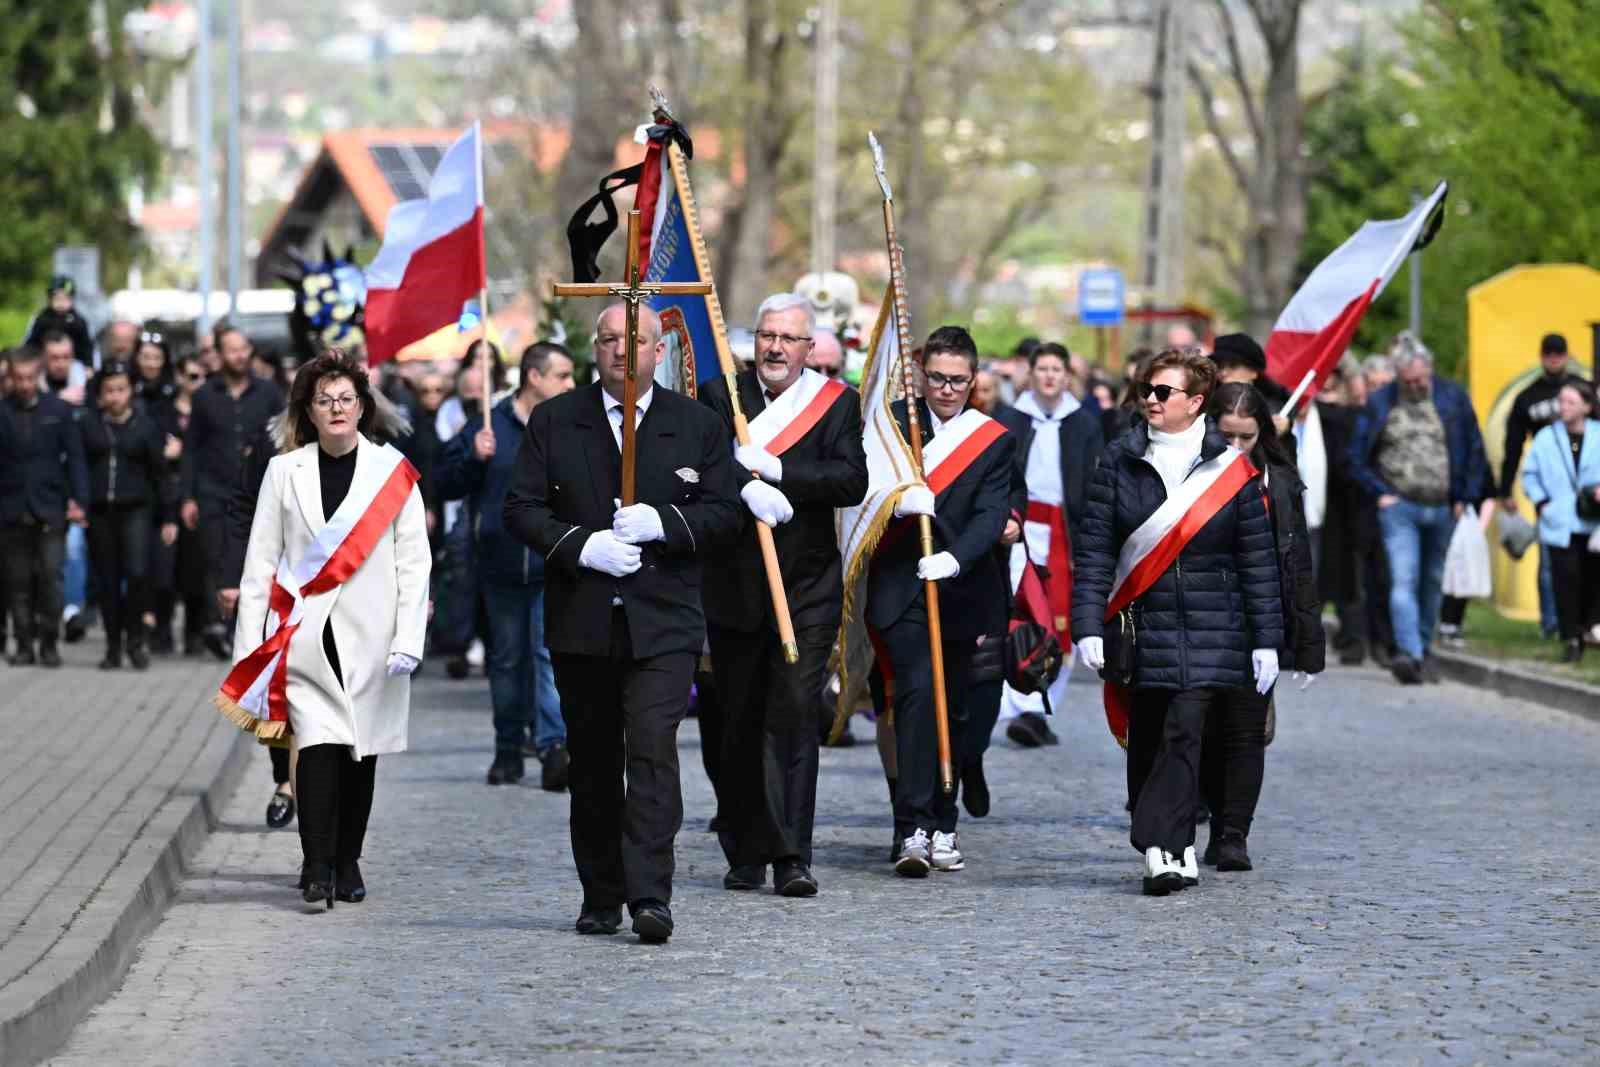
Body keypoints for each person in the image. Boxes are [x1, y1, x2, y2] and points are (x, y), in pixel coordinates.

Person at [503, 303, 740, 943]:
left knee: (654, 754)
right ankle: (602, 893)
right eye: (608, 339)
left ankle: (650, 895)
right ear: (594, 349)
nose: (619, 351)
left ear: (656, 350)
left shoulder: (695, 424)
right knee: (596, 763)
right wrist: (581, 545)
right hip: (584, 619)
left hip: (663, 621)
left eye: (632, 340)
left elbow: (727, 511)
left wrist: (666, 523)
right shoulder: (557, 421)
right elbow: (521, 509)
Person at [1072, 348, 1282, 896]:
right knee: (1147, 738)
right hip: (1143, 625)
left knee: (1185, 732)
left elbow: (1256, 561)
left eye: (1163, 392)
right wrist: (1087, 625)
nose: (1150, 399)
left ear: (1194, 402)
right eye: (1147, 389)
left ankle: (1169, 846)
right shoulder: (1118, 461)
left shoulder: (1231, 469)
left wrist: (1268, 641)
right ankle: (1168, 839)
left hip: (1216, 626)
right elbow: (1095, 550)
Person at [225, 350, 430, 908]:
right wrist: (250, 649)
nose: (336, 409)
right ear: (308, 412)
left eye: (346, 399)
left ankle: (348, 859)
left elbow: (414, 562)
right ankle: (316, 865)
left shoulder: (393, 472)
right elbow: (260, 563)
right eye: (324, 401)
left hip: (375, 639)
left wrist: (409, 637)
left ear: (362, 408)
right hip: (306, 636)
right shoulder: (282, 471)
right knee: (315, 748)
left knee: (361, 754)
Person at [698, 293, 867, 897]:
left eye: (787, 339)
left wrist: (781, 474)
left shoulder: (836, 404)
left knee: (793, 715)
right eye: (766, 335)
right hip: (734, 584)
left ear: (807, 348)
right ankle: (745, 849)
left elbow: (852, 479)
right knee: (737, 719)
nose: (774, 347)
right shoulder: (722, 396)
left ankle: (792, 853)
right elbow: (697, 469)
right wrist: (741, 487)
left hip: (806, 588)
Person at [869, 325, 1015, 878]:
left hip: (960, 585)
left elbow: (990, 515)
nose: (947, 390)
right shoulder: (893, 425)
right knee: (916, 697)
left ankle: (944, 822)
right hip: (901, 586)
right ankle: (910, 826)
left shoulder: (994, 439)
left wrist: (955, 558)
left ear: (973, 380)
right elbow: (863, 491)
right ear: (921, 374)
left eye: (958, 380)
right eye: (937, 378)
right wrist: (895, 502)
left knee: (956, 710)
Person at [439, 341, 576, 788]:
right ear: (534, 378)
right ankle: (507, 749)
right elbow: (443, 481)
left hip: (551, 562)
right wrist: (473, 458)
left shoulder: (568, 424)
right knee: (507, 659)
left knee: (547, 655)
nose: (571, 384)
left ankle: (554, 748)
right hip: (498, 564)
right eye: (563, 375)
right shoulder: (488, 423)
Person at [1201, 383, 1324, 871]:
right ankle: (1210, 814)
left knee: (1247, 732)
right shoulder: (1190, 473)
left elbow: (1299, 563)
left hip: (1262, 621)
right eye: (1226, 435)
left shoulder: (1280, 480)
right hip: (1205, 615)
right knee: (1206, 730)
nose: (1235, 448)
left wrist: (1308, 642)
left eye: (1246, 438)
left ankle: (1235, 833)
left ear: (1262, 435)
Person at [1349, 333, 1493, 685]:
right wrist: (1379, 492)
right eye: (1409, 380)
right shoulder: (1382, 401)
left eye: (1420, 379)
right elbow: (1356, 456)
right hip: (1400, 507)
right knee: (1404, 578)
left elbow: (1473, 449)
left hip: (1443, 507)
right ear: (1398, 374)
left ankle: (1424, 647)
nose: (1415, 385)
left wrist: (1464, 497)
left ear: (1429, 370)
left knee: (1432, 581)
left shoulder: (1452, 398)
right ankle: (1409, 653)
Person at [994, 341, 1105, 749]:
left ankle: (1040, 707)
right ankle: (1020, 702)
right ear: (1031, 372)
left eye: (1058, 369)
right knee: (1020, 612)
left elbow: (1092, 484)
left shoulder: (1083, 424)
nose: (1050, 376)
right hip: (1020, 525)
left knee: (1060, 620)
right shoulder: (1009, 419)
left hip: (1063, 530)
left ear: (1067, 376)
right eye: (1043, 368)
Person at [179, 324, 285, 659]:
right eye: (231, 350)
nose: (239, 355)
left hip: (257, 489)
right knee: (214, 555)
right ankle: (218, 626)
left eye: (243, 348)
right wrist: (188, 496)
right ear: (219, 355)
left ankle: (247, 627)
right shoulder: (206, 396)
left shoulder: (269, 393)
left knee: (252, 556)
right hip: (213, 488)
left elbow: (283, 437)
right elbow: (192, 448)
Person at [80, 362, 177, 670]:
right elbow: (79, 468)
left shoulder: (146, 427)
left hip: (137, 509)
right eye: (109, 390)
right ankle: (112, 646)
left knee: (136, 574)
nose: (115, 396)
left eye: (121, 389)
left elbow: (161, 474)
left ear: (131, 392)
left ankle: (135, 641)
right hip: (100, 511)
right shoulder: (89, 424)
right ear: (99, 394)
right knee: (107, 580)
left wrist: (169, 516)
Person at [0, 346, 89, 667]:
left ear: (38, 375)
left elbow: (75, 458)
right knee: (18, 582)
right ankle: (24, 644)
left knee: (52, 577)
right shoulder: (2, 411)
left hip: (50, 507)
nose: (24, 384)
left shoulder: (58, 411)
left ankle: (49, 642)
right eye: (18, 378)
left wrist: (80, 500)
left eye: (29, 377)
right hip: (11, 510)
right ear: (10, 377)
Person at [1499, 332, 1583, 640]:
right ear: (1541, 356)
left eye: (1558, 353)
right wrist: (1506, 489)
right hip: (1551, 485)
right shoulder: (1528, 397)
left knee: (1584, 558)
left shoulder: (1582, 389)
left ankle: (1581, 622)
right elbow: (1513, 445)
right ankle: (1551, 622)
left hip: (1584, 482)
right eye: (1548, 353)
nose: (1554, 358)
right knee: (1551, 558)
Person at [1520, 378, 1600, 662]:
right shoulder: (1546, 438)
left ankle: (1588, 628)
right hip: (1559, 520)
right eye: (1561, 402)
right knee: (1565, 580)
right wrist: (1542, 502)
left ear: (1587, 407)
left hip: (1593, 522)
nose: (1563, 407)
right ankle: (1570, 638)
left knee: (1592, 579)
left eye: (1570, 402)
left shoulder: (1598, 435)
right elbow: (1529, 474)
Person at [24, 277, 95, 367]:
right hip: (44, 363)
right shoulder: (42, 319)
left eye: (65, 299)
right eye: (57, 299)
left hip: (73, 364)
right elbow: (32, 343)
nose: (61, 303)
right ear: (49, 299)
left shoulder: (78, 321)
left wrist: (89, 366)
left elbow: (87, 346)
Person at [133, 331, 177, 414]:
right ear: (136, 358)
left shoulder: (175, 391)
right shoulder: (128, 388)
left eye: (157, 358)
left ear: (165, 361)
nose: (151, 364)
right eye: (146, 357)